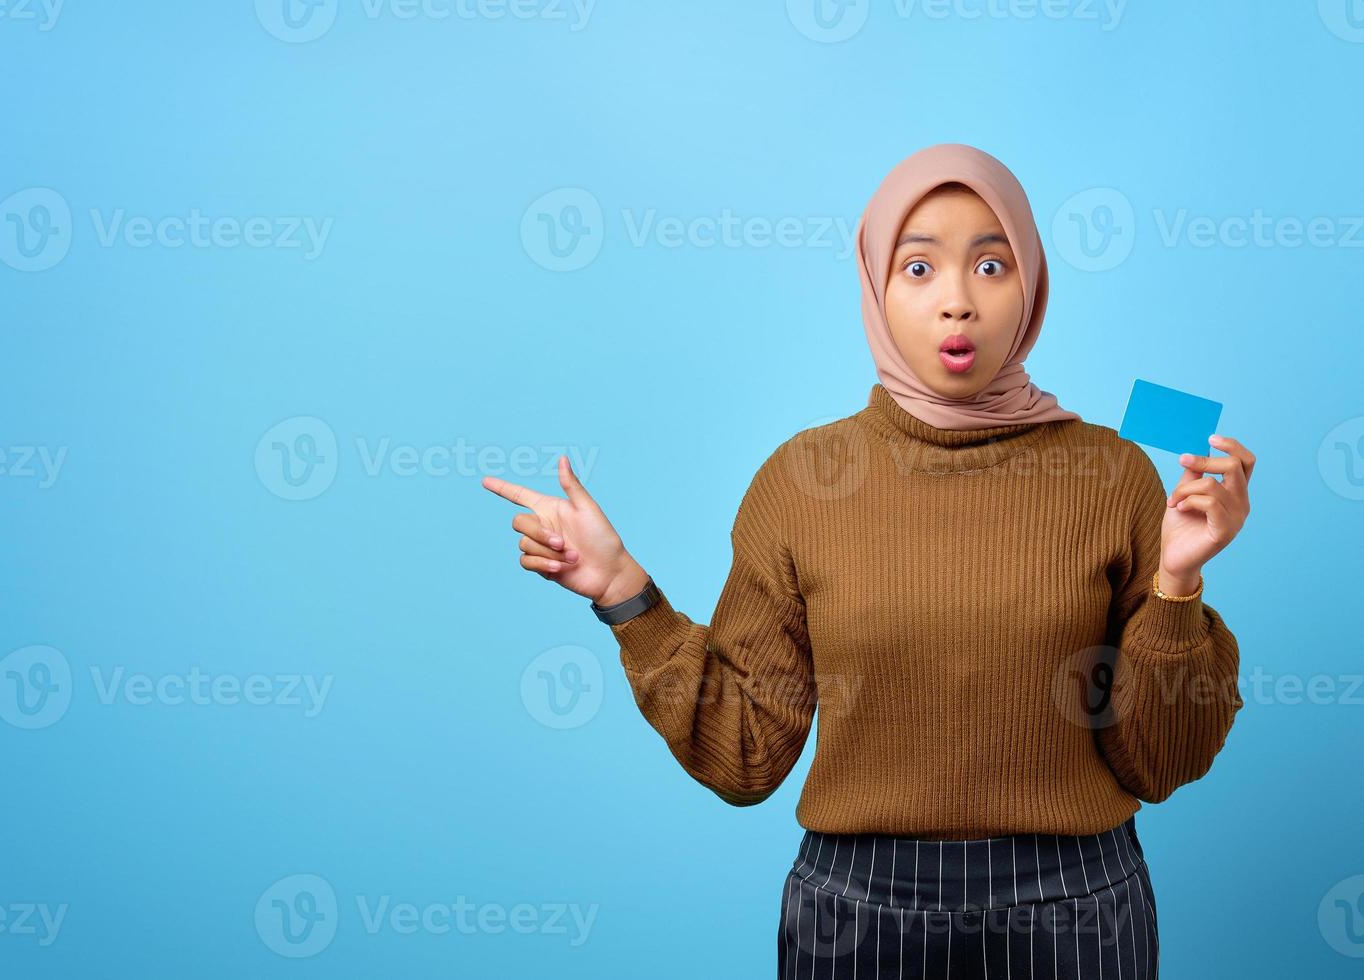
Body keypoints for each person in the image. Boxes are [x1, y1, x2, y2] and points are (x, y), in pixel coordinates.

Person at [482, 143, 1253, 979]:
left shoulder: (1114, 474)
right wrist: (626, 595)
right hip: (859, 915)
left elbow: (1161, 763)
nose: (957, 302)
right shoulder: (802, 479)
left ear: (1029, 284)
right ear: (876, 288)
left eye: (991, 265)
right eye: (918, 267)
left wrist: (1179, 583)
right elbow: (745, 757)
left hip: (1076, 909)